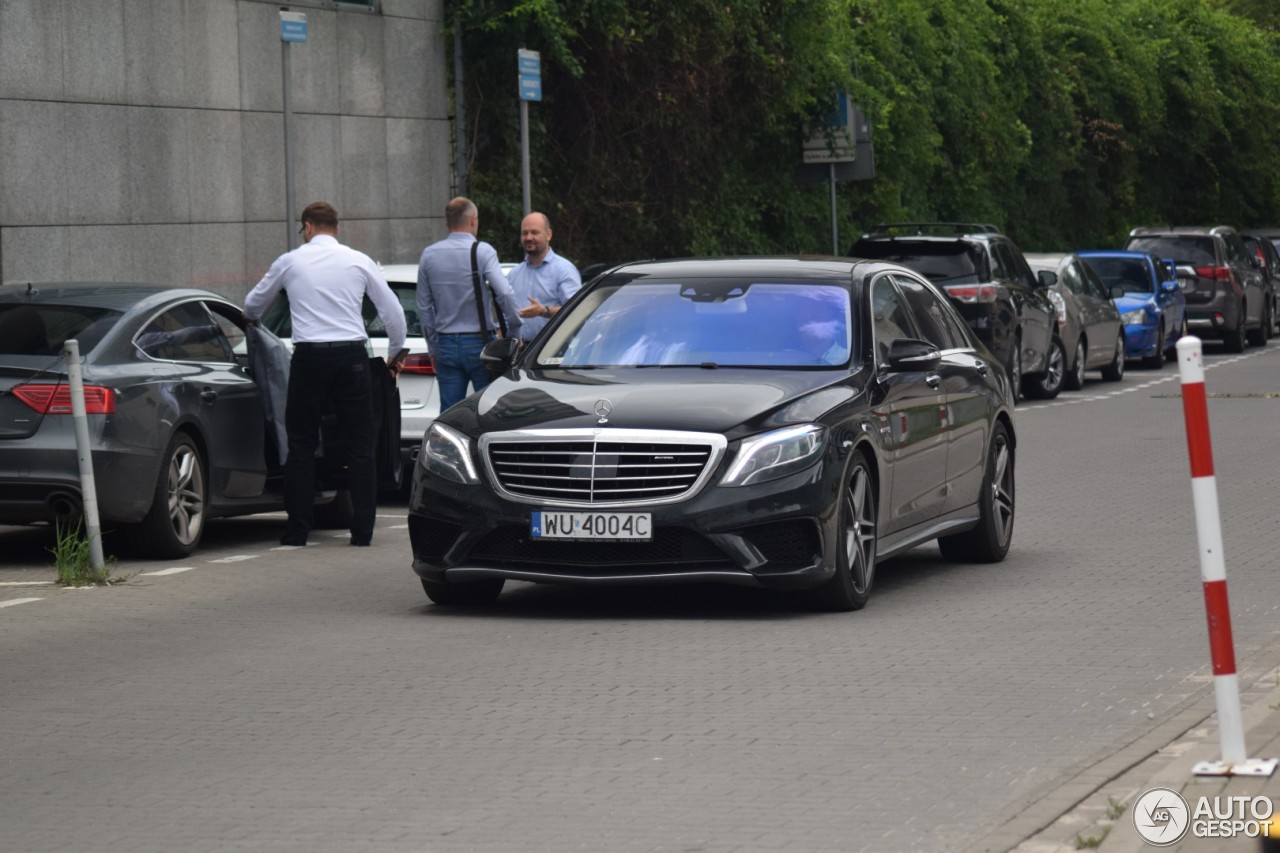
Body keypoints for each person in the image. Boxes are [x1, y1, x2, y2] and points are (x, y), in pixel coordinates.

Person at [243, 201, 407, 549]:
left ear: (308, 227)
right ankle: (362, 533)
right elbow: (393, 311)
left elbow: (252, 306)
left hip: (309, 360)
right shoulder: (358, 260)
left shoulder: (290, 261)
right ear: (336, 228)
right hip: (352, 359)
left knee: (301, 445)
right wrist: (394, 355)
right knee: (360, 446)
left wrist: (254, 320)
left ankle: (298, 531)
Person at [417, 197, 523, 410]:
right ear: (473, 220)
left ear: (447, 222)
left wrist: (433, 349)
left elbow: (423, 308)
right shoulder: (483, 251)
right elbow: (504, 293)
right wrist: (514, 331)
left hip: (445, 344)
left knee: (449, 412)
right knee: (488, 409)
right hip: (480, 343)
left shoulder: (429, 255)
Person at [507, 211, 582, 343]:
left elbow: (577, 311)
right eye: (525, 233)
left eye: (534, 232)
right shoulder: (514, 274)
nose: (528, 237)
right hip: (519, 352)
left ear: (548, 235)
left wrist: (543, 311)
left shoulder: (564, 270)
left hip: (553, 352)